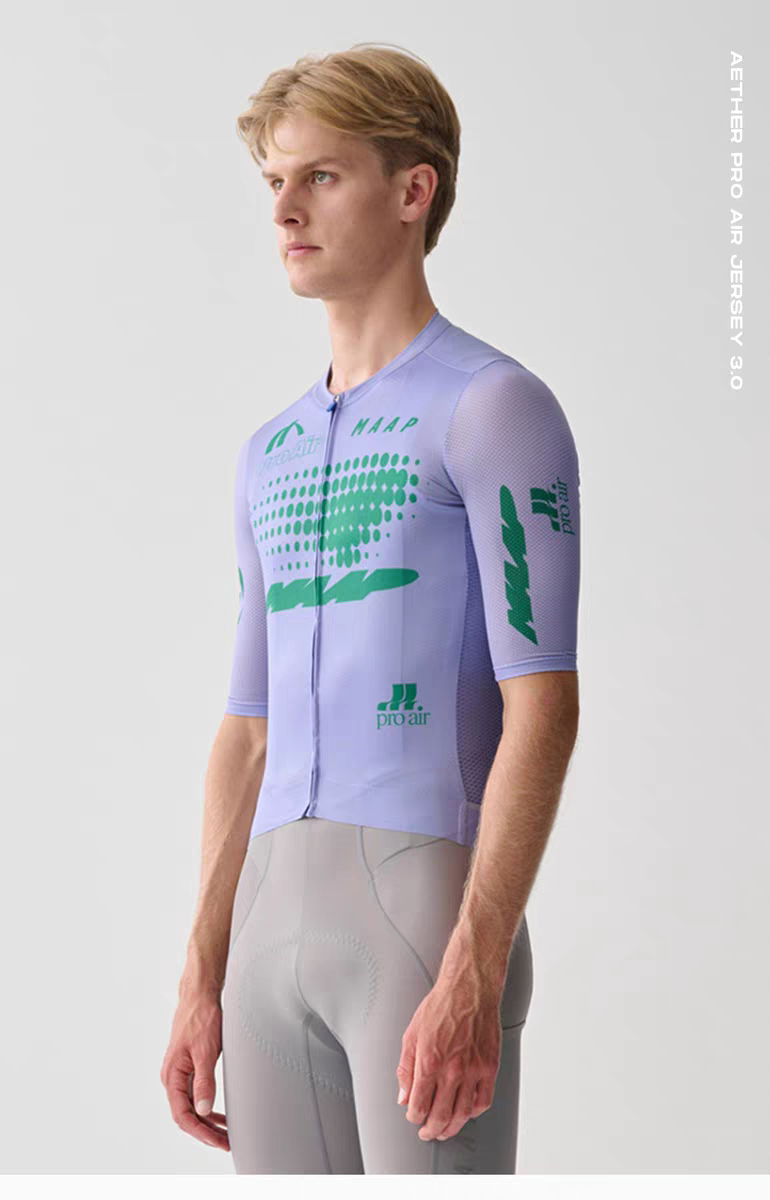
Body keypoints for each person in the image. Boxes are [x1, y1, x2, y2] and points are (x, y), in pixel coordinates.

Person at [160, 41, 580, 1174]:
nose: (284, 210)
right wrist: (201, 970)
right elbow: (247, 732)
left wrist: (475, 962)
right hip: (265, 935)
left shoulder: (493, 408)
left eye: (320, 176)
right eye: (273, 182)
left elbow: (542, 703)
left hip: (420, 922)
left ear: (412, 190)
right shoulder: (270, 451)